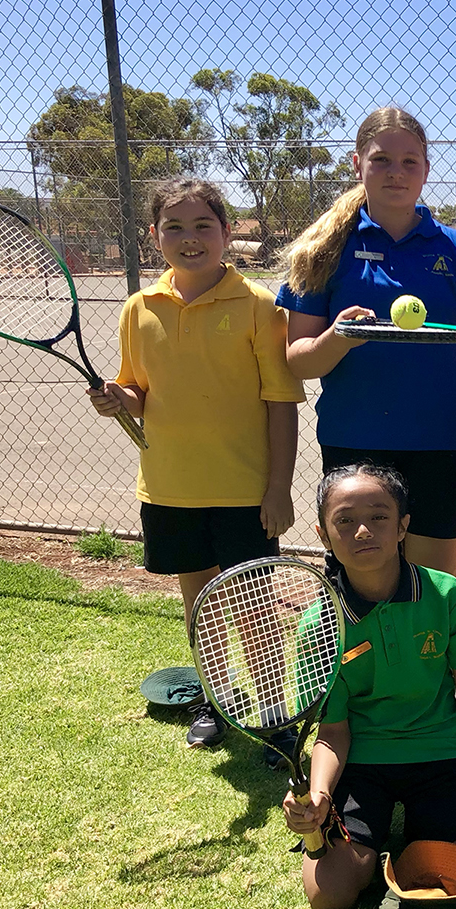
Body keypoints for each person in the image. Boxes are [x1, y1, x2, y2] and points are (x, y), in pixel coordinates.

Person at [87, 177, 303, 758]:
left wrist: (278, 487)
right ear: (155, 236)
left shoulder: (259, 305)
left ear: (227, 233)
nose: (190, 238)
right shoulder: (140, 308)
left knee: (256, 611)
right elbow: (138, 390)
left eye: (203, 225)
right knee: (200, 603)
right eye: (174, 227)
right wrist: (119, 398)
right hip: (170, 491)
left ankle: (273, 710)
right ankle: (215, 698)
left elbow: (281, 401)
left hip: (243, 491)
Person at [277, 106, 456, 578]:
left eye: (410, 162)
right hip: (355, 444)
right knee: (358, 589)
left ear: (426, 170)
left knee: (430, 591)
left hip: (441, 447)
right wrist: (339, 337)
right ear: (357, 163)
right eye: (381, 160)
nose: (396, 173)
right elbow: (297, 360)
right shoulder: (322, 250)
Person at [281, 465, 456, 909]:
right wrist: (320, 797)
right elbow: (333, 732)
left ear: (403, 526)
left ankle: (417, 835)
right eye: (345, 521)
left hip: (440, 754)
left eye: (380, 517)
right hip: (363, 762)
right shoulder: (320, 622)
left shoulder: (446, 594)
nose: (363, 530)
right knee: (329, 895)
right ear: (323, 533)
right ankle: (387, 844)